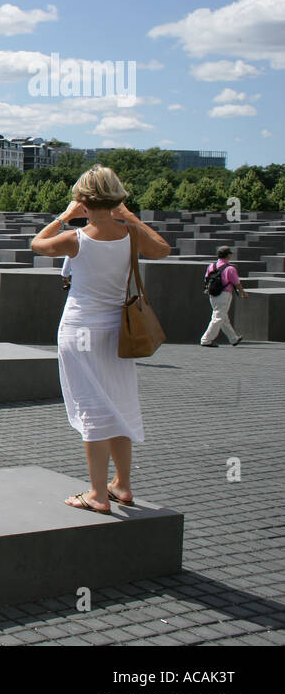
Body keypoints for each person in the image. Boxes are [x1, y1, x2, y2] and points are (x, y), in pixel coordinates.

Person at [29, 165, 171, 514]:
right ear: (117, 199)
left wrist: (64, 216)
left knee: (92, 406)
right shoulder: (131, 235)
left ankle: (96, 493)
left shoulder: (75, 238)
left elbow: (36, 244)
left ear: (83, 200)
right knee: (119, 404)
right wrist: (132, 219)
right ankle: (121, 484)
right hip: (118, 331)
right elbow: (163, 250)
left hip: (80, 330)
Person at [200, 245, 246, 348]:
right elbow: (236, 283)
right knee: (218, 317)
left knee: (223, 317)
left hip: (212, 294)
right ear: (228, 255)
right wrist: (242, 292)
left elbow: (206, 278)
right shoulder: (230, 268)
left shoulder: (211, 266)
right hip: (224, 294)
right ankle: (206, 340)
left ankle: (233, 339)